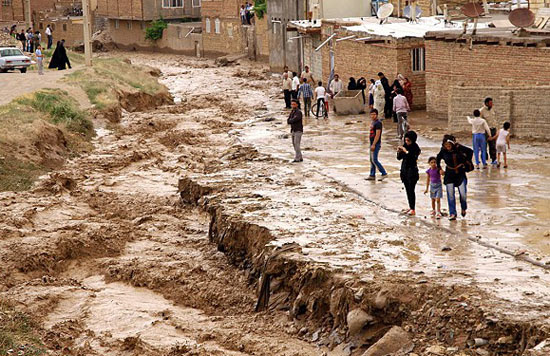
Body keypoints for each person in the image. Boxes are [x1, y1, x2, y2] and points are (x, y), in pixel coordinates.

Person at [436, 135, 473, 221]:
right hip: (449, 174)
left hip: (460, 173)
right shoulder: (443, 151)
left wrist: (467, 162)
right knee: (451, 195)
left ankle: (463, 208)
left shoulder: (459, 148)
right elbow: (438, 159)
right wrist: (440, 169)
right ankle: (452, 213)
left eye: (449, 145)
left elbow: (470, 152)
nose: (448, 147)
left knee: (463, 194)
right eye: (446, 145)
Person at [397, 130, 421, 215]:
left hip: (412, 171)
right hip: (404, 171)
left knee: (411, 190)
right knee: (407, 189)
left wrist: (406, 151)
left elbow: (413, 158)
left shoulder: (416, 148)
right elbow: (399, 158)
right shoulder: (405, 146)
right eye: (406, 140)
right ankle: (410, 207)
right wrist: (399, 151)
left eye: (408, 141)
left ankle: (413, 208)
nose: (407, 142)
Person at [366, 109, 388, 181]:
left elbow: (378, 134)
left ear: (377, 115)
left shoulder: (378, 123)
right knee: (371, 160)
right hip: (371, 143)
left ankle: (384, 173)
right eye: (371, 114)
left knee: (374, 159)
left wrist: (374, 144)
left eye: (374, 114)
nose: (372, 116)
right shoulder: (373, 122)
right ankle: (372, 175)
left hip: (376, 144)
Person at [480, 97, 499, 165]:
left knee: (493, 146)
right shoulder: (481, 111)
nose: (492, 104)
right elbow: (479, 122)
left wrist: (496, 129)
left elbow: (494, 121)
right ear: (486, 103)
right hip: (485, 131)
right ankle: (484, 160)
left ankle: (494, 159)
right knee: (483, 146)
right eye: (490, 103)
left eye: (492, 103)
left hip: (493, 130)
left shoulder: (492, 110)